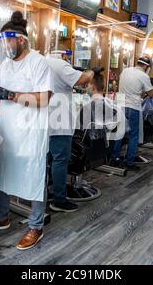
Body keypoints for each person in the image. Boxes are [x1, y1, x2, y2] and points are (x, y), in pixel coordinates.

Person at [0, 11, 53, 251]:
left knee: (34, 174)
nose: (5, 46)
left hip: (31, 131)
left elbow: (44, 99)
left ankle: (36, 225)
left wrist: (11, 95)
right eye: (2, 42)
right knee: (2, 170)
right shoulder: (4, 66)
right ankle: (1, 216)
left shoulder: (38, 62)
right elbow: (1, 100)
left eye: (8, 41)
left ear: (20, 40)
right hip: (9, 128)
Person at [46, 50, 94, 213]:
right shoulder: (60, 64)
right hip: (60, 120)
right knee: (60, 159)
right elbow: (83, 80)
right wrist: (92, 71)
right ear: (64, 56)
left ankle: (49, 192)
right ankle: (59, 200)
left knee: (50, 158)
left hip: (46, 118)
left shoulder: (42, 63)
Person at [110, 56, 153, 170]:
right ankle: (129, 162)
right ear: (146, 66)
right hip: (132, 106)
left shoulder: (125, 71)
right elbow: (151, 94)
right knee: (133, 136)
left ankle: (114, 158)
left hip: (120, 104)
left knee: (119, 133)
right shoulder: (144, 76)